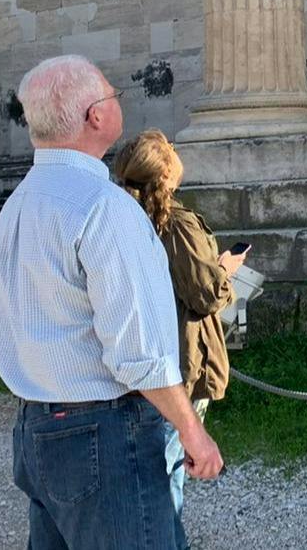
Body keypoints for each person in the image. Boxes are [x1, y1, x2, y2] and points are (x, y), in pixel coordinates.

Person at [0, 55, 222, 549]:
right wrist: (191, 429)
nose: (119, 102)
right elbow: (137, 352)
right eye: (114, 95)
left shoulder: (16, 205)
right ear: (96, 116)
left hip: (35, 422)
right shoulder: (103, 207)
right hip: (104, 428)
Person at [113, 129, 243, 546]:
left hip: (134, 361)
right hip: (178, 362)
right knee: (167, 480)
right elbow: (205, 295)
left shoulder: (117, 218)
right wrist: (225, 269)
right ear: (168, 174)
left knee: (150, 478)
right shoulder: (178, 224)